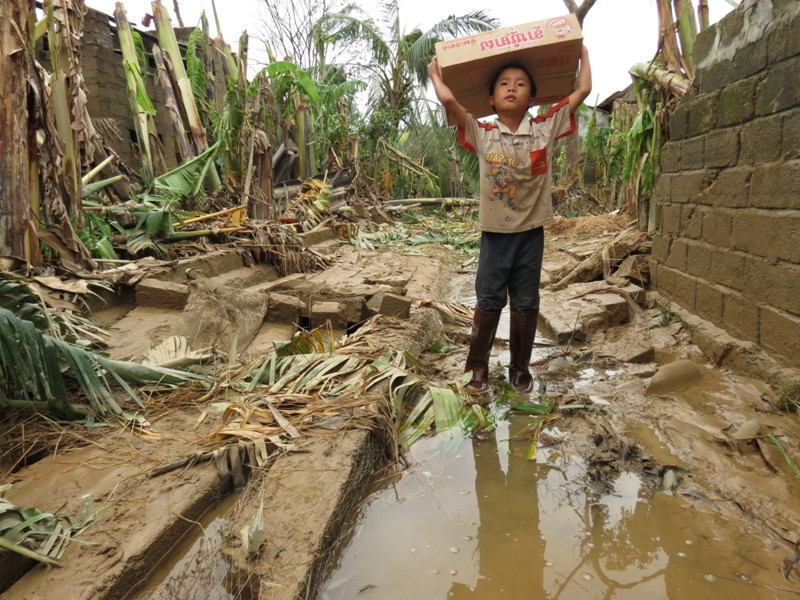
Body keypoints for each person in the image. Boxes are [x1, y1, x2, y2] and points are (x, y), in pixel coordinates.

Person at [428, 44, 592, 394]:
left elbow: (584, 91)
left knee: (526, 303)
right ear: (490, 99)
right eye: (504, 83)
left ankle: (519, 370)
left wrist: (583, 54)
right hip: (496, 234)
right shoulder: (482, 133)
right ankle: (478, 370)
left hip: (531, 235)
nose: (512, 87)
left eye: (520, 83)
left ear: (533, 96)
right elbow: (450, 103)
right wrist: (434, 75)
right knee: (488, 302)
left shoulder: (544, 130)